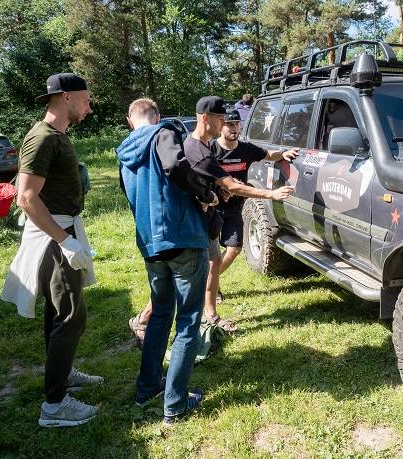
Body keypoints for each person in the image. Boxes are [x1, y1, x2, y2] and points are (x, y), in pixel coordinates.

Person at [128, 96, 294, 342]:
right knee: (183, 280)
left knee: (214, 262)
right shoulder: (197, 150)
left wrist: (213, 193)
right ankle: (143, 319)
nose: (226, 125)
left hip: (206, 218)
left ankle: (210, 314)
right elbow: (230, 185)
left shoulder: (203, 146)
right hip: (192, 223)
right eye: (221, 119)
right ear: (206, 119)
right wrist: (270, 193)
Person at [1, 73, 102, 427]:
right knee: (71, 315)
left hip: (63, 230)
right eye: (86, 99)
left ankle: (64, 373)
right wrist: (64, 240)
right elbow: (26, 198)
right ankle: (55, 406)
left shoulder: (58, 135)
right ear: (65, 97)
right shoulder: (42, 138)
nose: (89, 107)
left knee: (58, 313)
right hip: (53, 237)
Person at [116, 98, 216, 425]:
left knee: (160, 312)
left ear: (132, 122)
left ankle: (148, 387)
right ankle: (175, 404)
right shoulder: (163, 134)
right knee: (188, 318)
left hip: (150, 244)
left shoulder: (124, 152)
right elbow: (175, 167)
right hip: (181, 236)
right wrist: (206, 194)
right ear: (156, 116)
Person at [211, 109, 299, 306]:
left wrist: (283, 154)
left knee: (234, 249)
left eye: (237, 124)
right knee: (212, 254)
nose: (234, 128)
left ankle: (210, 280)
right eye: (230, 125)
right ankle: (212, 288)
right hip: (212, 208)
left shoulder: (246, 149)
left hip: (235, 207)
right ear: (221, 126)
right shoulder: (210, 150)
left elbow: (268, 155)